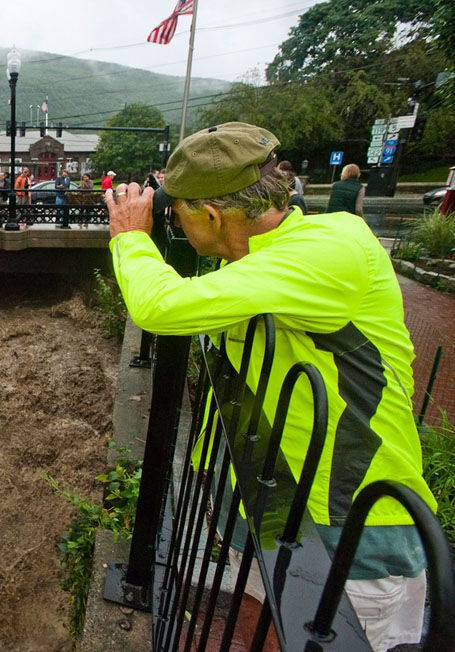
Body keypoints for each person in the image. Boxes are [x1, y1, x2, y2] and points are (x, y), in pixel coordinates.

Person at [105, 122, 436, 652]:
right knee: (260, 621)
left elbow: (159, 307)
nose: (173, 221)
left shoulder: (328, 249)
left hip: (348, 525)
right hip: (263, 499)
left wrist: (130, 238)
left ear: (211, 216)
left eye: (177, 213)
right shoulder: (254, 258)